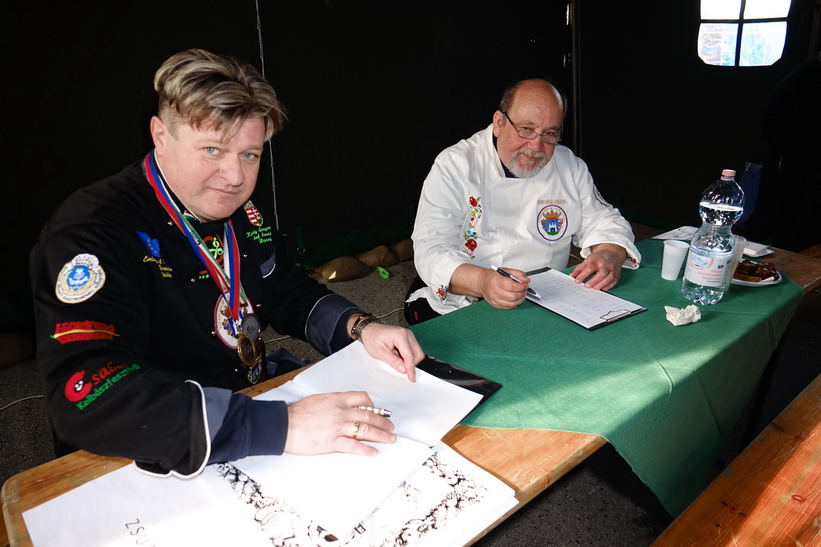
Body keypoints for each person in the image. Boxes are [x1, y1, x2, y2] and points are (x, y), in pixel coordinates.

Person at [30, 48, 425, 477]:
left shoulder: (240, 209)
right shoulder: (92, 233)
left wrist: (360, 328)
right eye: (213, 150)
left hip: (246, 400)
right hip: (154, 447)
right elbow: (86, 394)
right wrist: (280, 426)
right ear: (160, 135)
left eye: (249, 155)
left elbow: (285, 288)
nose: (236, 177)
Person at [405, 78, 641, 323]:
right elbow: (430, 248)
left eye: (549, 133)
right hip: (468, 301)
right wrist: (482, 281)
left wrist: (609, 254)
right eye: (526, 129)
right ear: (499, 123)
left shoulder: (568, 165)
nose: (536, 145)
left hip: (551, 298)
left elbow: (605, 220)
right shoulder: (456, 165)